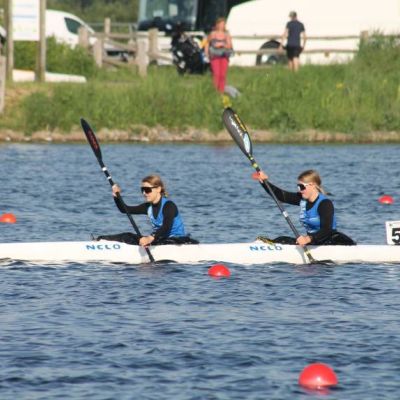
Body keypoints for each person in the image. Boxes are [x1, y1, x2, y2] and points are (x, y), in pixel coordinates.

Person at [255, 169, 355, 246]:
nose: (299, 190)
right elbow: (280, 195)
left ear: (312, 185)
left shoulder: (325, 204)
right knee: (282, 240)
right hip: (314, 241)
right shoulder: (302, 199)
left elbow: (326, 229)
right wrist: (264, 182)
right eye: (298, 186)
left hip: (333, 240)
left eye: (301, 187)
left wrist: (308, 239)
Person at [96, 174, 197, 247]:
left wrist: (150, 238)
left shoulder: (169, 206)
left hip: (176, 241)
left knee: (151, 240)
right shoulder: (148, 207)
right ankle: (100, 240)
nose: (144, 193)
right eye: (142, 190)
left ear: (158, 189)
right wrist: (117, 197)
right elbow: (125, 210)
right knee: (128, 236)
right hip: (159, 239)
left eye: (147, 190)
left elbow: (166, 227)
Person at [204, 17, 233, 94]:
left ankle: (222, 91)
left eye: (223, 24)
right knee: (216, 74)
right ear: (217, 24)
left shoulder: (226, 34)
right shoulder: (213, 34)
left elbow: (230, 45)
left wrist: (222, 44)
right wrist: (206, 53)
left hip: (224, 55)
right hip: (215, 55)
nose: (222, 26)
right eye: (221, 24)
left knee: (222, 75)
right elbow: (207, 42)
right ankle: (216, 90)